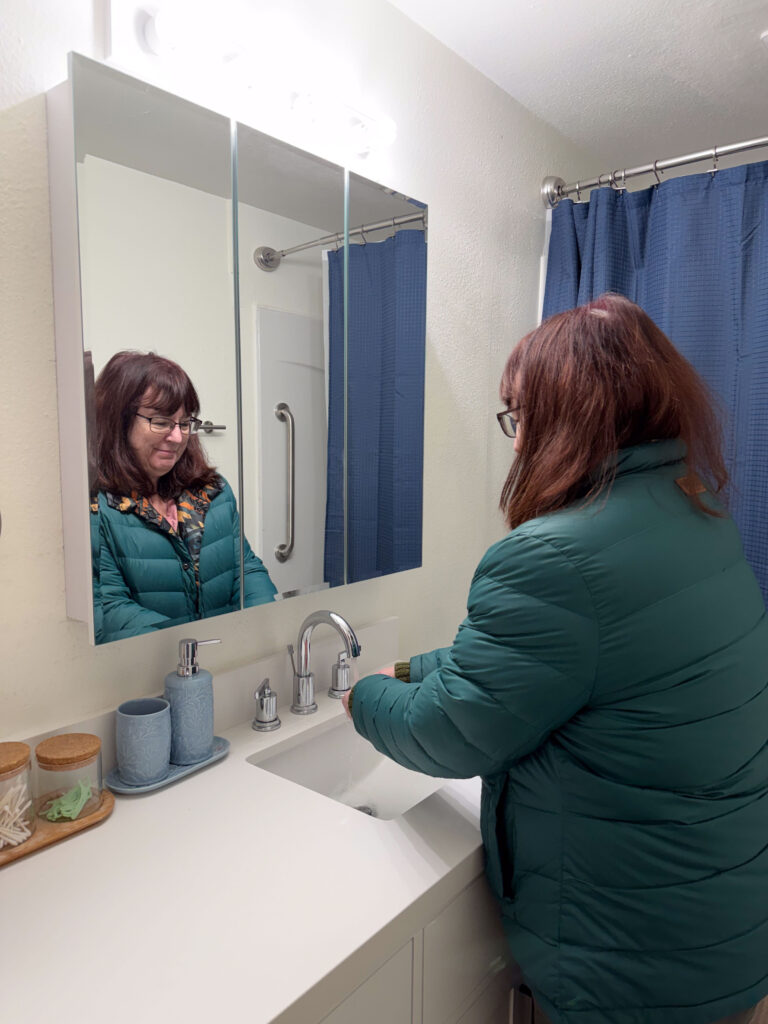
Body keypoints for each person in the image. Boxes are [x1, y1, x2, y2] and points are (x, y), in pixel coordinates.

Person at [344, 294, 768, 1024]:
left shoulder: (555, 556)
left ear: (571, 414)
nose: (515, 442)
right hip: (716, 913)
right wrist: (414, 669)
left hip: (633, 955)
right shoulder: (693, 507)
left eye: (520, 415)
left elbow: (452, 734)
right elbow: (549, 661)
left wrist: (362, 696)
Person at [90, 350, 276, 644]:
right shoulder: (97, 509)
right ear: (119, 421)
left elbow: (247, 572)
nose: (177, 437)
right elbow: (111, 610)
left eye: (185, 423)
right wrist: (193, 654)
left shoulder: (213, 492)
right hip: (150, 675)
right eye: (161, 422)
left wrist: (258, 636)